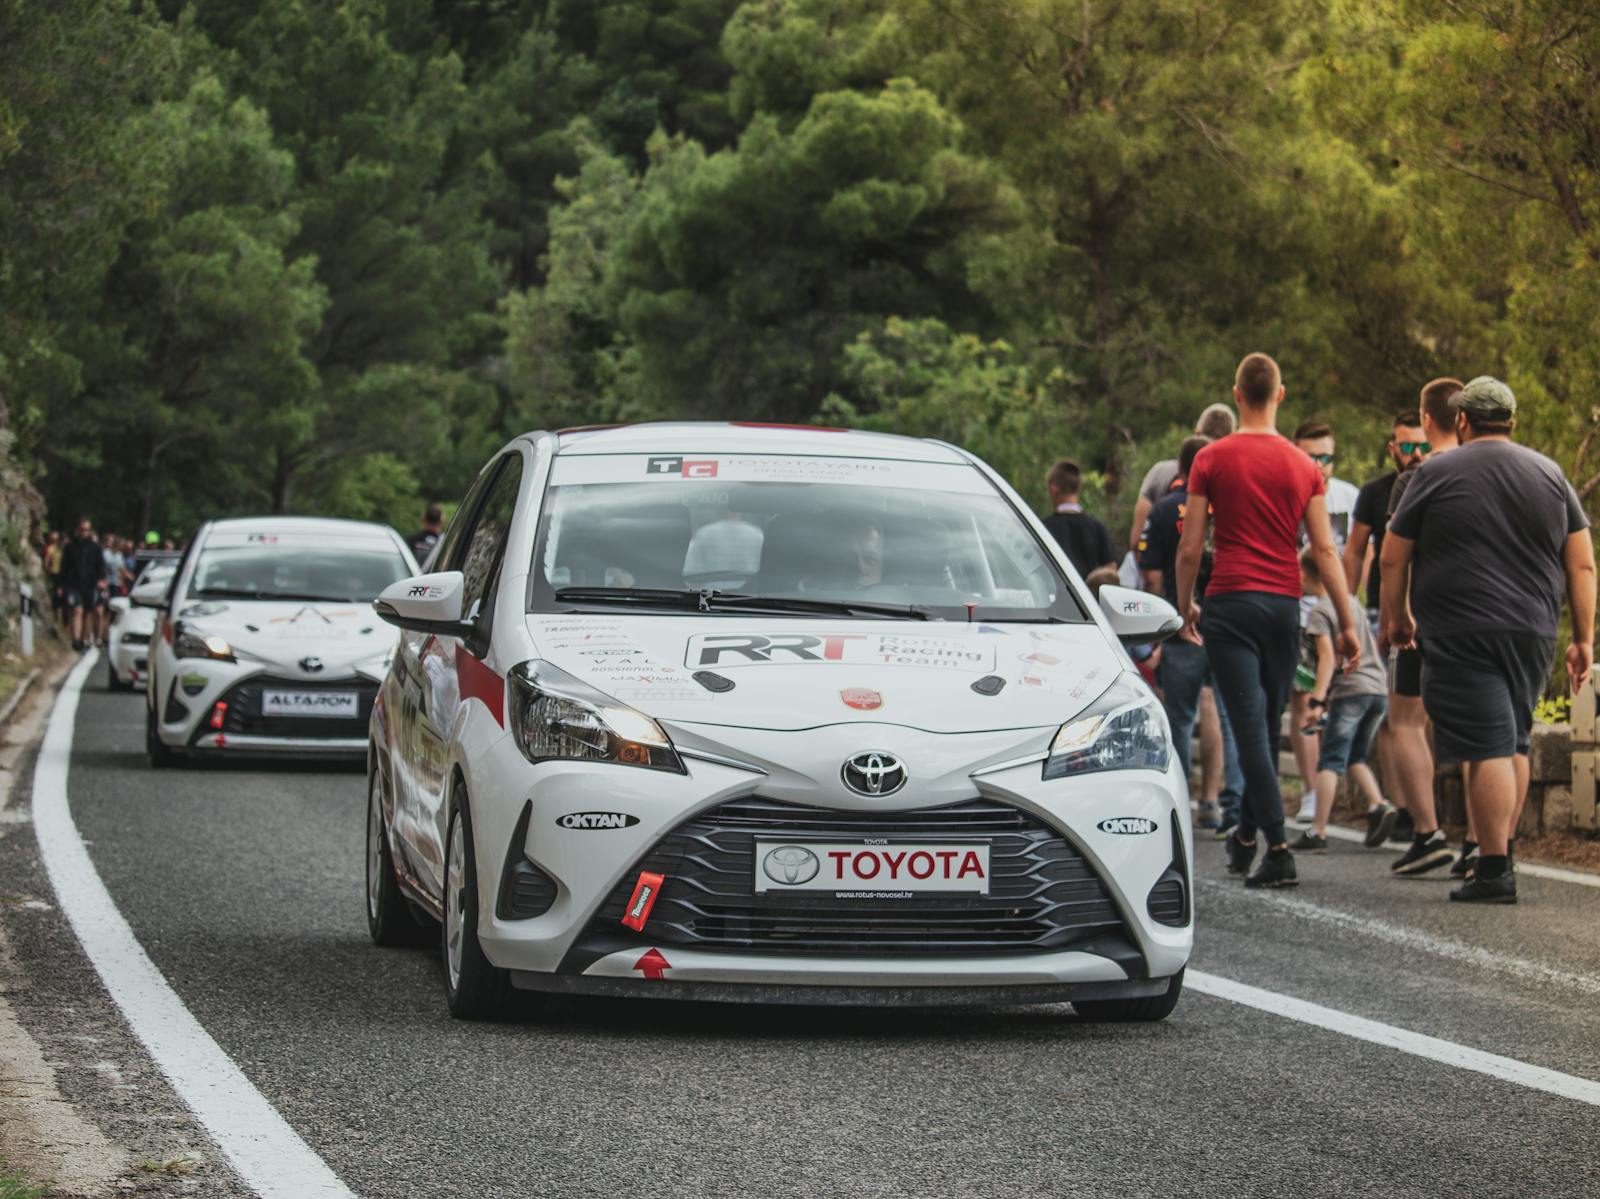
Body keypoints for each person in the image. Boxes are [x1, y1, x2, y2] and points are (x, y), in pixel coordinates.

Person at [1383, 376, 1595, 903]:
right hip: (1533, 631)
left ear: (1462, 420)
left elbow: (1393, 553)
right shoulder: (1549, 473)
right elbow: (1583, 562)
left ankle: (1495, 867)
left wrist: (1398, 616)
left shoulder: (1432, 472)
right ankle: (1498, 851)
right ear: (1513, 421)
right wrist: (1584, 639)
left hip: (1462, 629)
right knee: (1511, 740)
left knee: (1491, 745)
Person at [1177, 353, 1360, 889]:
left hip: (1230, 603)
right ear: (1280, 395)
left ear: (1237, 395)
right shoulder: (1305, 468)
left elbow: (1191, 547)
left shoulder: (1210, 459)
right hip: (1284, 608)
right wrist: (1345, 621)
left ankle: (1275, 845)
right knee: (1264, 724)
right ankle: (1245, 837)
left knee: (1251, 728)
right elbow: (1325, 550)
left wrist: (1187, 603)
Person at [1139, 435, 1245, 831]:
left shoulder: (1165, 510)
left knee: (1180, 719)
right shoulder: (1233, 504)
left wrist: (1158, 627)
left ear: (1180, 469)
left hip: (1180, 623)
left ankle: (1180, 804)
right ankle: (1229, 806)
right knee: (1231, 717)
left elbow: (1150, 574)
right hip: (1228, 620)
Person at [1380, 377, 1464, 872]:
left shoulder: (1413, 478)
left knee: (1406, 722)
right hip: (1474, 619)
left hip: (1420, 616)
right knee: (1477, 732)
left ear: (1427, 419)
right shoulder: (1487, 471)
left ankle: (1428, 831)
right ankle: (1482, 843)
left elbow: (1397, 556)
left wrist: (1396, 616)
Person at [1342, 412, 1430, 843]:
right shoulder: (1376, 492)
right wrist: (1348, 608)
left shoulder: (1439, 481)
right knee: (1393, 717)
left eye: (1422, 446)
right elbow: (1356, 551)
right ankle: (1403, 809)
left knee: (1419, 716)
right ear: (1392, 447)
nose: (1415, 455)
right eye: (1407, 446)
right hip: (1383, 611)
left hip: (1431, 612)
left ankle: (1424, 811)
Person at [1291, 547, 1390, 851]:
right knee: (1355, 757)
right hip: (1378, 689)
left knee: (1329, 760)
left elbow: (1326, 659)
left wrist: (1317, 701)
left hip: (1352, 691)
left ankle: (1318, 830)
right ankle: (1379, 805)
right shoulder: (1351, 604)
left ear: (1308, 574)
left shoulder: (1320, 610)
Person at [1288, 420, 1363, 818]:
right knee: (1302, 700)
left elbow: (1359, 554)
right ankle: (1312, 791)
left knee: (1351, 696)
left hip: (1342, 610)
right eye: (1310, 456)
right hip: (1298, 613)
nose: (1319, 465)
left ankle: (1353, 790)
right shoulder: (1287, 494)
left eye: (1326, 457)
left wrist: (1351, 608)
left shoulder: (1350, 497)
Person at [1128, 403, 1239, 553]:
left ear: (1196, 433)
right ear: (1231, 440)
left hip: (1162, 570)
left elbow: (1137, 541)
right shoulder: (1236, 482)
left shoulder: (1160, 473)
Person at [1042, 459, 1117, 578]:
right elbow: (1110, 572)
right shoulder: (1097, 527)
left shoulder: (1043, 529)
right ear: (1078, 488)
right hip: (1087, 595)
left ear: (1053, 489)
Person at [60, 518, 107, 652]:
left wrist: (101, 579)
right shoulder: (69, 547)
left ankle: (82, 638)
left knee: (87, 612)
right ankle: (75, 640)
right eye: (82, 529)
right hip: (73, 584)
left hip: (90, 585)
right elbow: (64, 566)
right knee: (77, 610)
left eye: (86, 529)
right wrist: (61, 585)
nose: (84, 532)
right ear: (77, 530)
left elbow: (101, 566)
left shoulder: (95, 547)